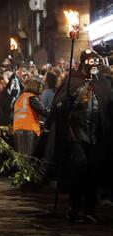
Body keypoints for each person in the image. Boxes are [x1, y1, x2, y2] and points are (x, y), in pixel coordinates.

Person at [44, 49, 113, 223]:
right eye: (90, 63)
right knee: (80, 165)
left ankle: (90, 210)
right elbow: (57, 107)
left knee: (94, 170)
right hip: (75, 132)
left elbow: (108, 104)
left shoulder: (102, 82)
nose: (93, 67)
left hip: (96, 133)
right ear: (83, 63)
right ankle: (74, 207)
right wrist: (63, 104)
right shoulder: (71, 81)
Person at [13, 79, 49, 156]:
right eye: (41, 89)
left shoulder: (20, 98)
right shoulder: (31, 97)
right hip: (28, 130)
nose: (42, 92)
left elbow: (26, 115)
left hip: (17, 129)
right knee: (28, 157)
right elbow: (43, 111)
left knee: (20, 157)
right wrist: (54, 113)